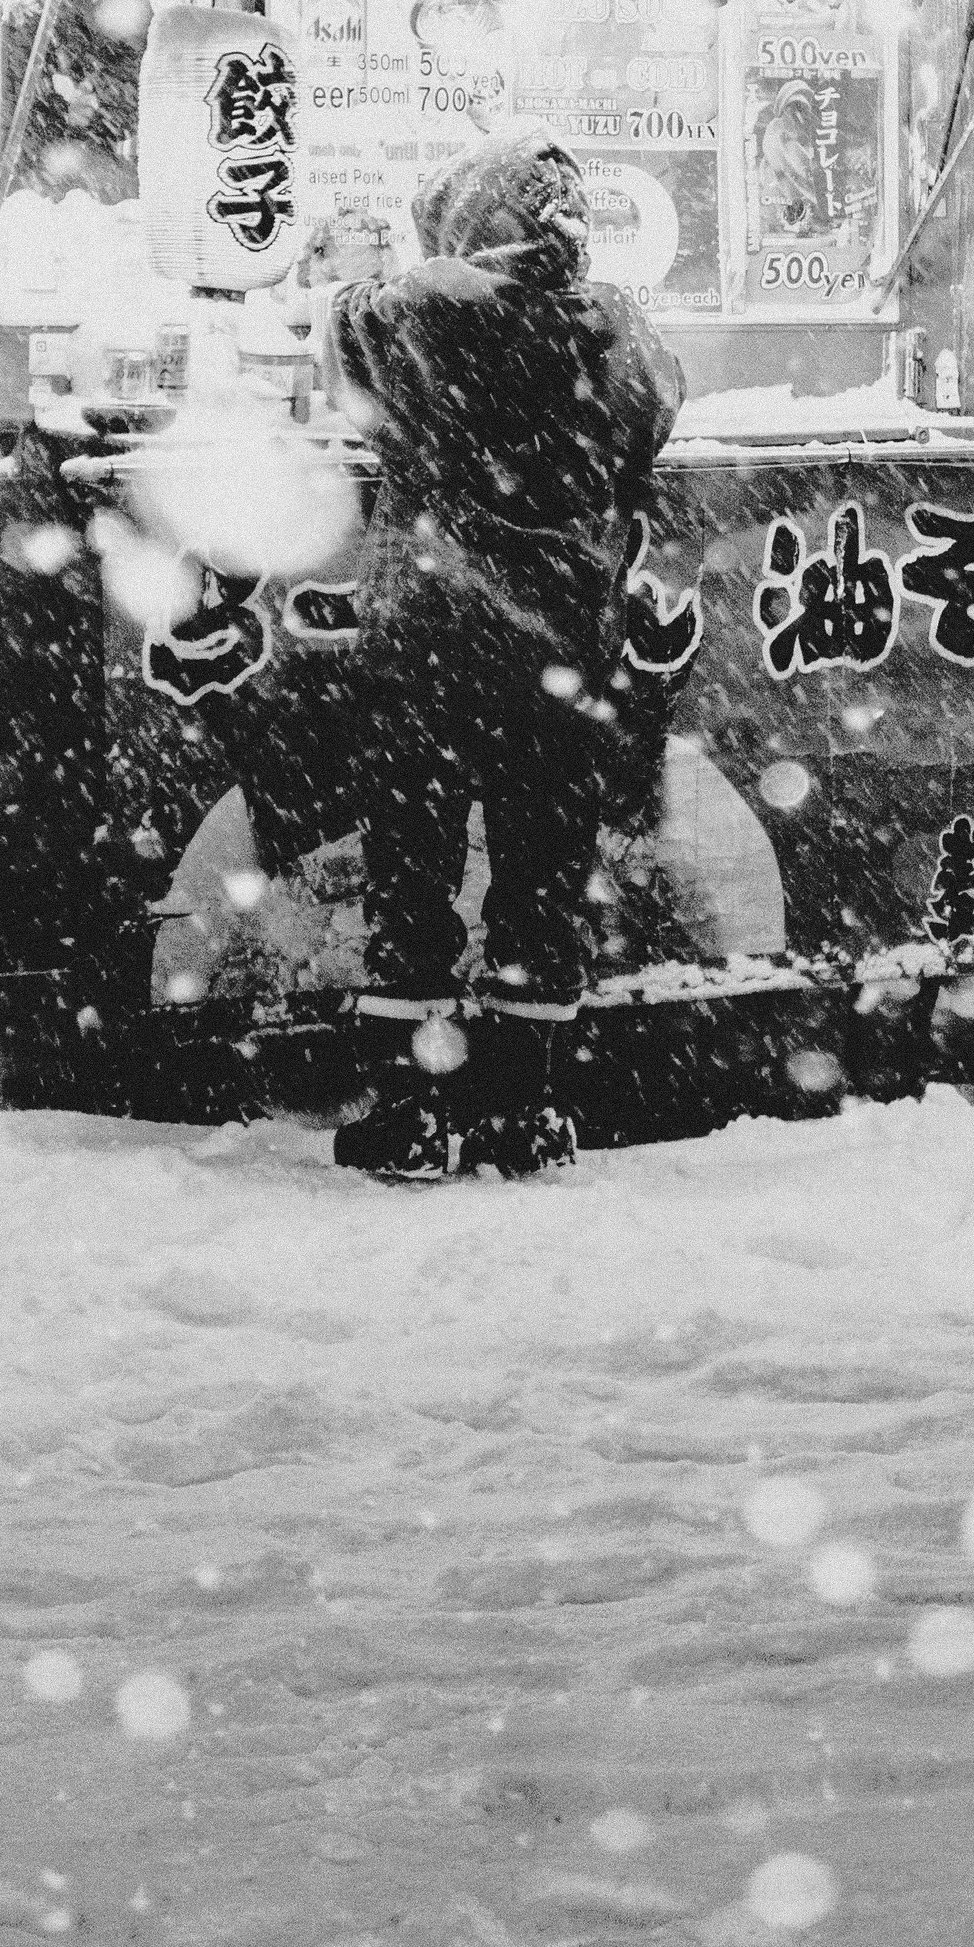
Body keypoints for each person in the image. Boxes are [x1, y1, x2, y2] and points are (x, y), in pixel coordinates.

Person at [321, 127, 683, 1180]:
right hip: (562, 650)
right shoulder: (615, 325)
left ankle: (411, 1109)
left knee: (413, 880)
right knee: (540, 880)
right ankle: (522, 1110)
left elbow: (344, 361)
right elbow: (653, 417)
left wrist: (366, 281)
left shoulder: (404, 312)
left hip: (426, 648)